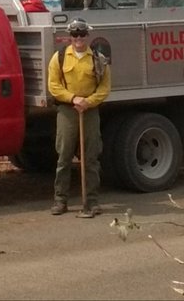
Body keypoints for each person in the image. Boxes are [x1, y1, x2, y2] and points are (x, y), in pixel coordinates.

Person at [46, 17, 111, 217]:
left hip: (90, 112)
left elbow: (105, 87)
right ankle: (60, 200)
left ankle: (91, 202)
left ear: (87, 35)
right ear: (70, 36)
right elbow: (53, 86)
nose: (78, 38)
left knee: (90, 158)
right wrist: (74, 99)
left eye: (82, 34)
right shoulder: (60, 57)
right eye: (75, 34)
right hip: (67, 111)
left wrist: (88, 102)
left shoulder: (98, 59)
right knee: (64, 156)